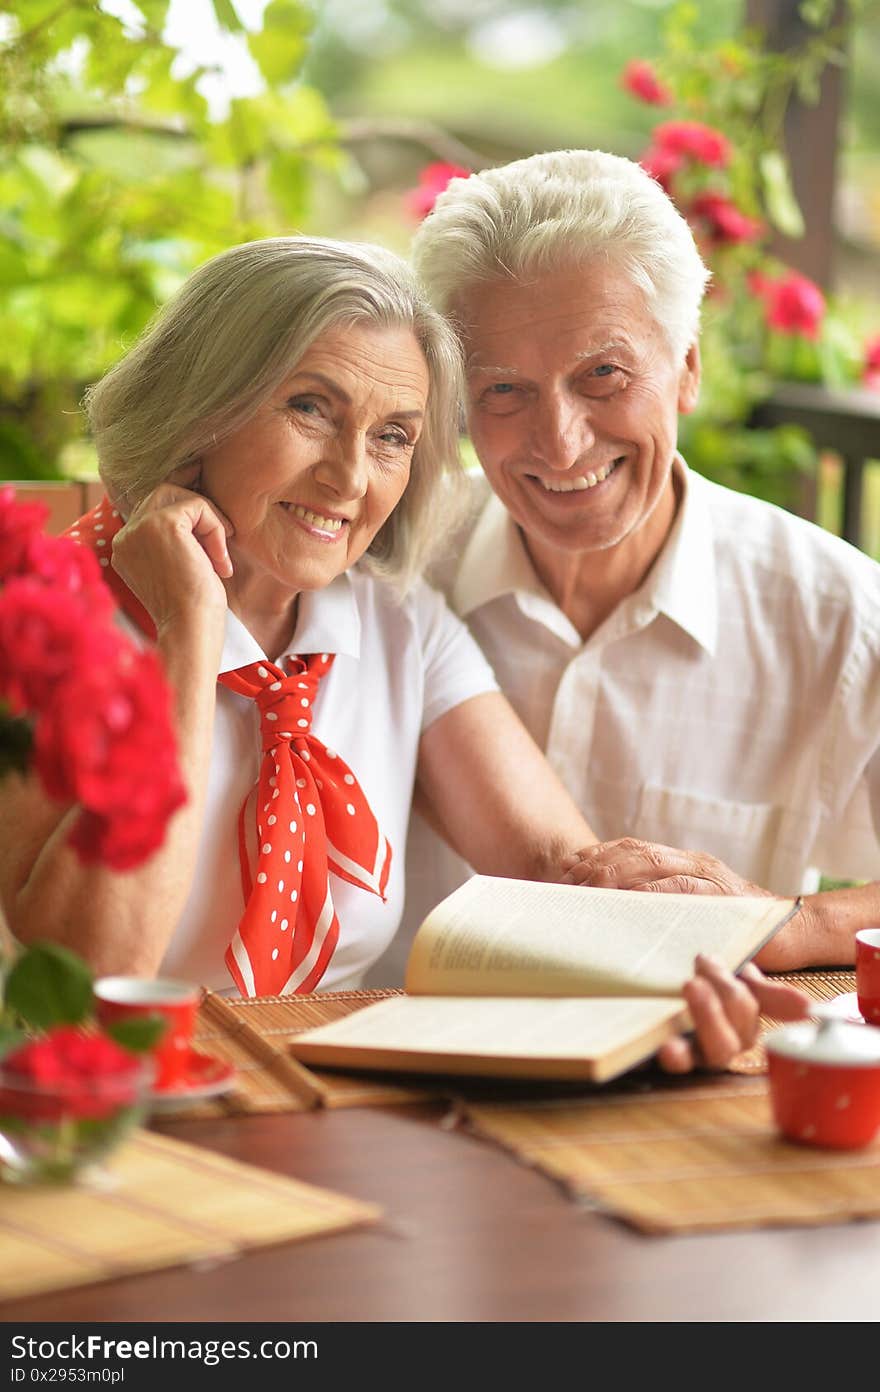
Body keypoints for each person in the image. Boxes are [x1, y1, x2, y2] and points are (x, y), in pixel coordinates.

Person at [0, 234, 805, 1073]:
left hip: (336, 1108)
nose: (350, 477)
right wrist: (190, 633)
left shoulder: (401, 628)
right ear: (202, 408)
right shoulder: (40, 625)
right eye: (310, 408)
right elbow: (89, 989)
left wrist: (678, 981)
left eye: (391, 435)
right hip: (88, 1120)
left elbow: (553, 873)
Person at [369, 147, 880, 989]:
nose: (561, 442)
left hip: (683, 1088)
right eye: (503, 391)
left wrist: (792, 923)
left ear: (687, 366)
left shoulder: (835, 612)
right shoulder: (386, 562)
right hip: (386, 1072)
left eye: (602, 375)